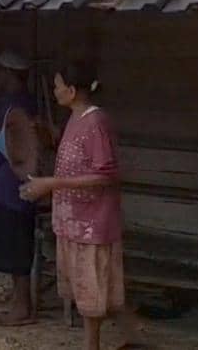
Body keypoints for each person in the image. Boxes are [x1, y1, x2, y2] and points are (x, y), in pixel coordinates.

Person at [20, 62, 140, 350]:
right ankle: (134, 333)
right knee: (93, 289)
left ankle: (93, 345)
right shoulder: (75, 119)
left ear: (72, 91)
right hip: (74, 219)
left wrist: (50, 184)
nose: (55, 90)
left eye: (58, 86)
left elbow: (104, 175)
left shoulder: (96, 122)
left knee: (92, 291)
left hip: (92, 221)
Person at [0, 50, 40, 326]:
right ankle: (18, 299)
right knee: (17, 241)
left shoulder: (11, 106)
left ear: (10, 74)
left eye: (1, 71)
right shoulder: (29, 103)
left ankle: (22, 305)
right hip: (21, 182)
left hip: (10, 184)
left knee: (15, 245)